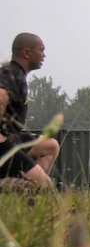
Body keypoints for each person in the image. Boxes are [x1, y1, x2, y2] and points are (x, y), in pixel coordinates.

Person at [0, 33, 54, 189]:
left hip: (13, 138)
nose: (44, 55)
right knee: (45, 185)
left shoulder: (16, 74)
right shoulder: (11, 73)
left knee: (50, 146)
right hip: (3, 144)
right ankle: (33, 185)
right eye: (41, 50)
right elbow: (1, 96)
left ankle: (30, 190)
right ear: (26, 53)